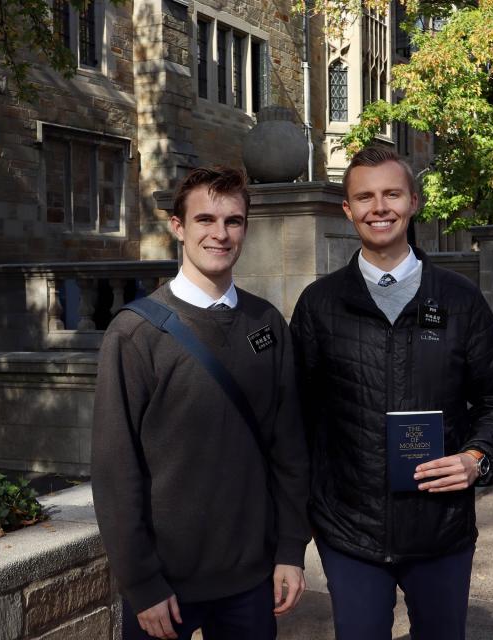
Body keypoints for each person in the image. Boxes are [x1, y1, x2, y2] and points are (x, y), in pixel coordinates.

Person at [290, 146, 493, 640]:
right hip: (349, 533)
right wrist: (301, 521)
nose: (379, 207)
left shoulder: (459, 299)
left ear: (413, 202)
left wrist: (477, 458)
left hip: (440, 528)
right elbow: (297, 418)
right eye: (365, 197)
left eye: (391, 194)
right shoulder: (320, 305)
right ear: (348, 209)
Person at [91, 166, 311, 640]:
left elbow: (288, 448)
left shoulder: (266, 322)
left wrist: (291, 549)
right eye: (205, 220)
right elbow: (115, 470)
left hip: (252, 579)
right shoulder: (134, 334)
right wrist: (142, 583)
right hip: (165, 585)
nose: (220, 233)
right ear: (178, 227)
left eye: (233, 221)